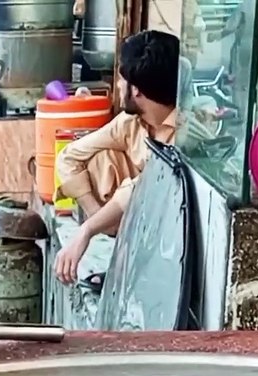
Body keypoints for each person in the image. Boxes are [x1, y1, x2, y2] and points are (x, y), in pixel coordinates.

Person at [52, 30, 179, 285]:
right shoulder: (130, 123)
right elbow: (69, 157)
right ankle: (120, 240)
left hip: (170, 237)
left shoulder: (185, 133)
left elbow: (141, 188)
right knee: (100, 159)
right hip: (130, 223)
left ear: (137, 91)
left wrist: (86, 231)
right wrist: (95, 216)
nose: (118, 86)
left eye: (121, 80)